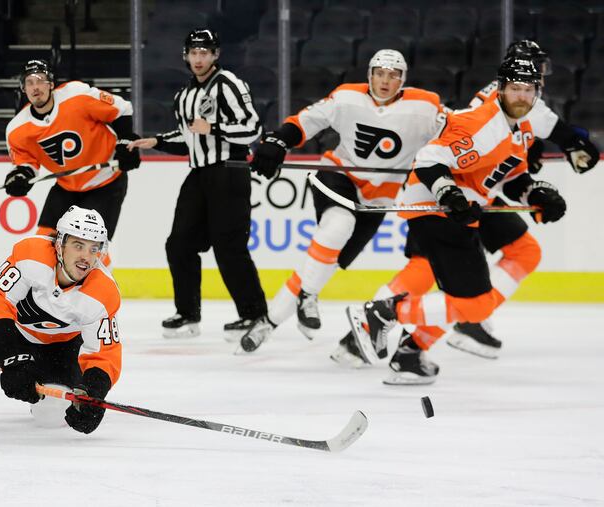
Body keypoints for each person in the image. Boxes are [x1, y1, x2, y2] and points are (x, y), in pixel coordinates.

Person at [344, 57, 568, 385]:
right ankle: (384, 313)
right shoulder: (481, 122)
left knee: (471, 304)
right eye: (515, 89)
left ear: (538, 92)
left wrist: (536, 196)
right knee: (475, 307)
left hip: (456, 215)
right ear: (501, 89)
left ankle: (408, 353)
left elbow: (509, 177)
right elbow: (430, 159)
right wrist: (450, 195)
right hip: (435, 211)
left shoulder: (518, 129)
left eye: (528, 90)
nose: (521, 96)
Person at [378, 40, 599, 360]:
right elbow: (453, 153)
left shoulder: (523, 106)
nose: (539, 79)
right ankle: (378, 323)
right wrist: (447, 191)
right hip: (459, 194)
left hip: (480, 193)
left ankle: (435, 329)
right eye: (535, 70)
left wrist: (536, 188)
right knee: (437, 269)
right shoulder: (495, 110)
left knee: (515, 257)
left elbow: (522, 158)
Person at [239, 49, 446, 354]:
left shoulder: (426, 106)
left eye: (393, 75)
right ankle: (308, 297)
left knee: (324, 263)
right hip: (337, 174)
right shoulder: (347, 97)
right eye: (379, 73)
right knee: (338, 224)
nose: (385, 81)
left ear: (403, 79)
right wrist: (277, 142)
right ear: (369, 75)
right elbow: (304, 121)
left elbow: (459, 132)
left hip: (378, 200)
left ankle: (268, 323)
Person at [127, 28, 267, 339]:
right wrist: (157, 141)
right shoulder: (184, 95)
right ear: (186, 56)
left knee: (229, 247)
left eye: (205, 52)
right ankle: (188, 314)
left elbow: (252, 128)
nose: (199, 58)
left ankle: (254, 314)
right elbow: (190, 139)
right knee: (179, 244)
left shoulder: (229, 84)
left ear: (216, 55)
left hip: (229, 171)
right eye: (194, 52)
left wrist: (213, 127)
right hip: (200, 173)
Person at [0, 205, 122, 434]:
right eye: (78, 245)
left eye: (94, 249)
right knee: (33, 392)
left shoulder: (103, 292)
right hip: (18, 337)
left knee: (52, 414)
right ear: (59, 243)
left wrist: (95, 393)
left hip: (64, 347)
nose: (86, 256)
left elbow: (104, 354)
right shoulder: (31, 255)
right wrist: (13, 360)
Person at [4, 59, 141, 268]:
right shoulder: (17, 129)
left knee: (89, 246)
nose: (35, 87)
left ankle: (98, 293)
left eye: (40, 80)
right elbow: (26, 163)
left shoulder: (76, 95)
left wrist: (126, 141)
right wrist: (20, 177)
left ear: (51, 83)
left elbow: (121, 109)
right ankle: (48, 297)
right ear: (23, 88)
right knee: (44, 243)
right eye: (29, 82)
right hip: (66, 186)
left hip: (105, 182)